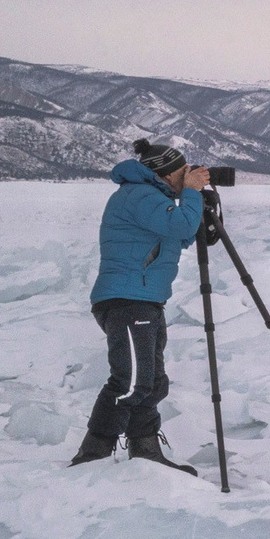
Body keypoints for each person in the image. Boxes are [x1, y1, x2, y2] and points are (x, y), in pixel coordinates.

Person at [70, 139, 208, 472]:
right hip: (128, 300)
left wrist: (200, 203)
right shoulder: (138, 195)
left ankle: (146, 453)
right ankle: (93, 455)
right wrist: (191, 193)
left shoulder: (152, 198)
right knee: (131, 382)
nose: (185, 176)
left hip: (144, 300)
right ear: (166, 172)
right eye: (182, 171)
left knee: (152, 382)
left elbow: (185, 233)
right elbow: (181, 225)